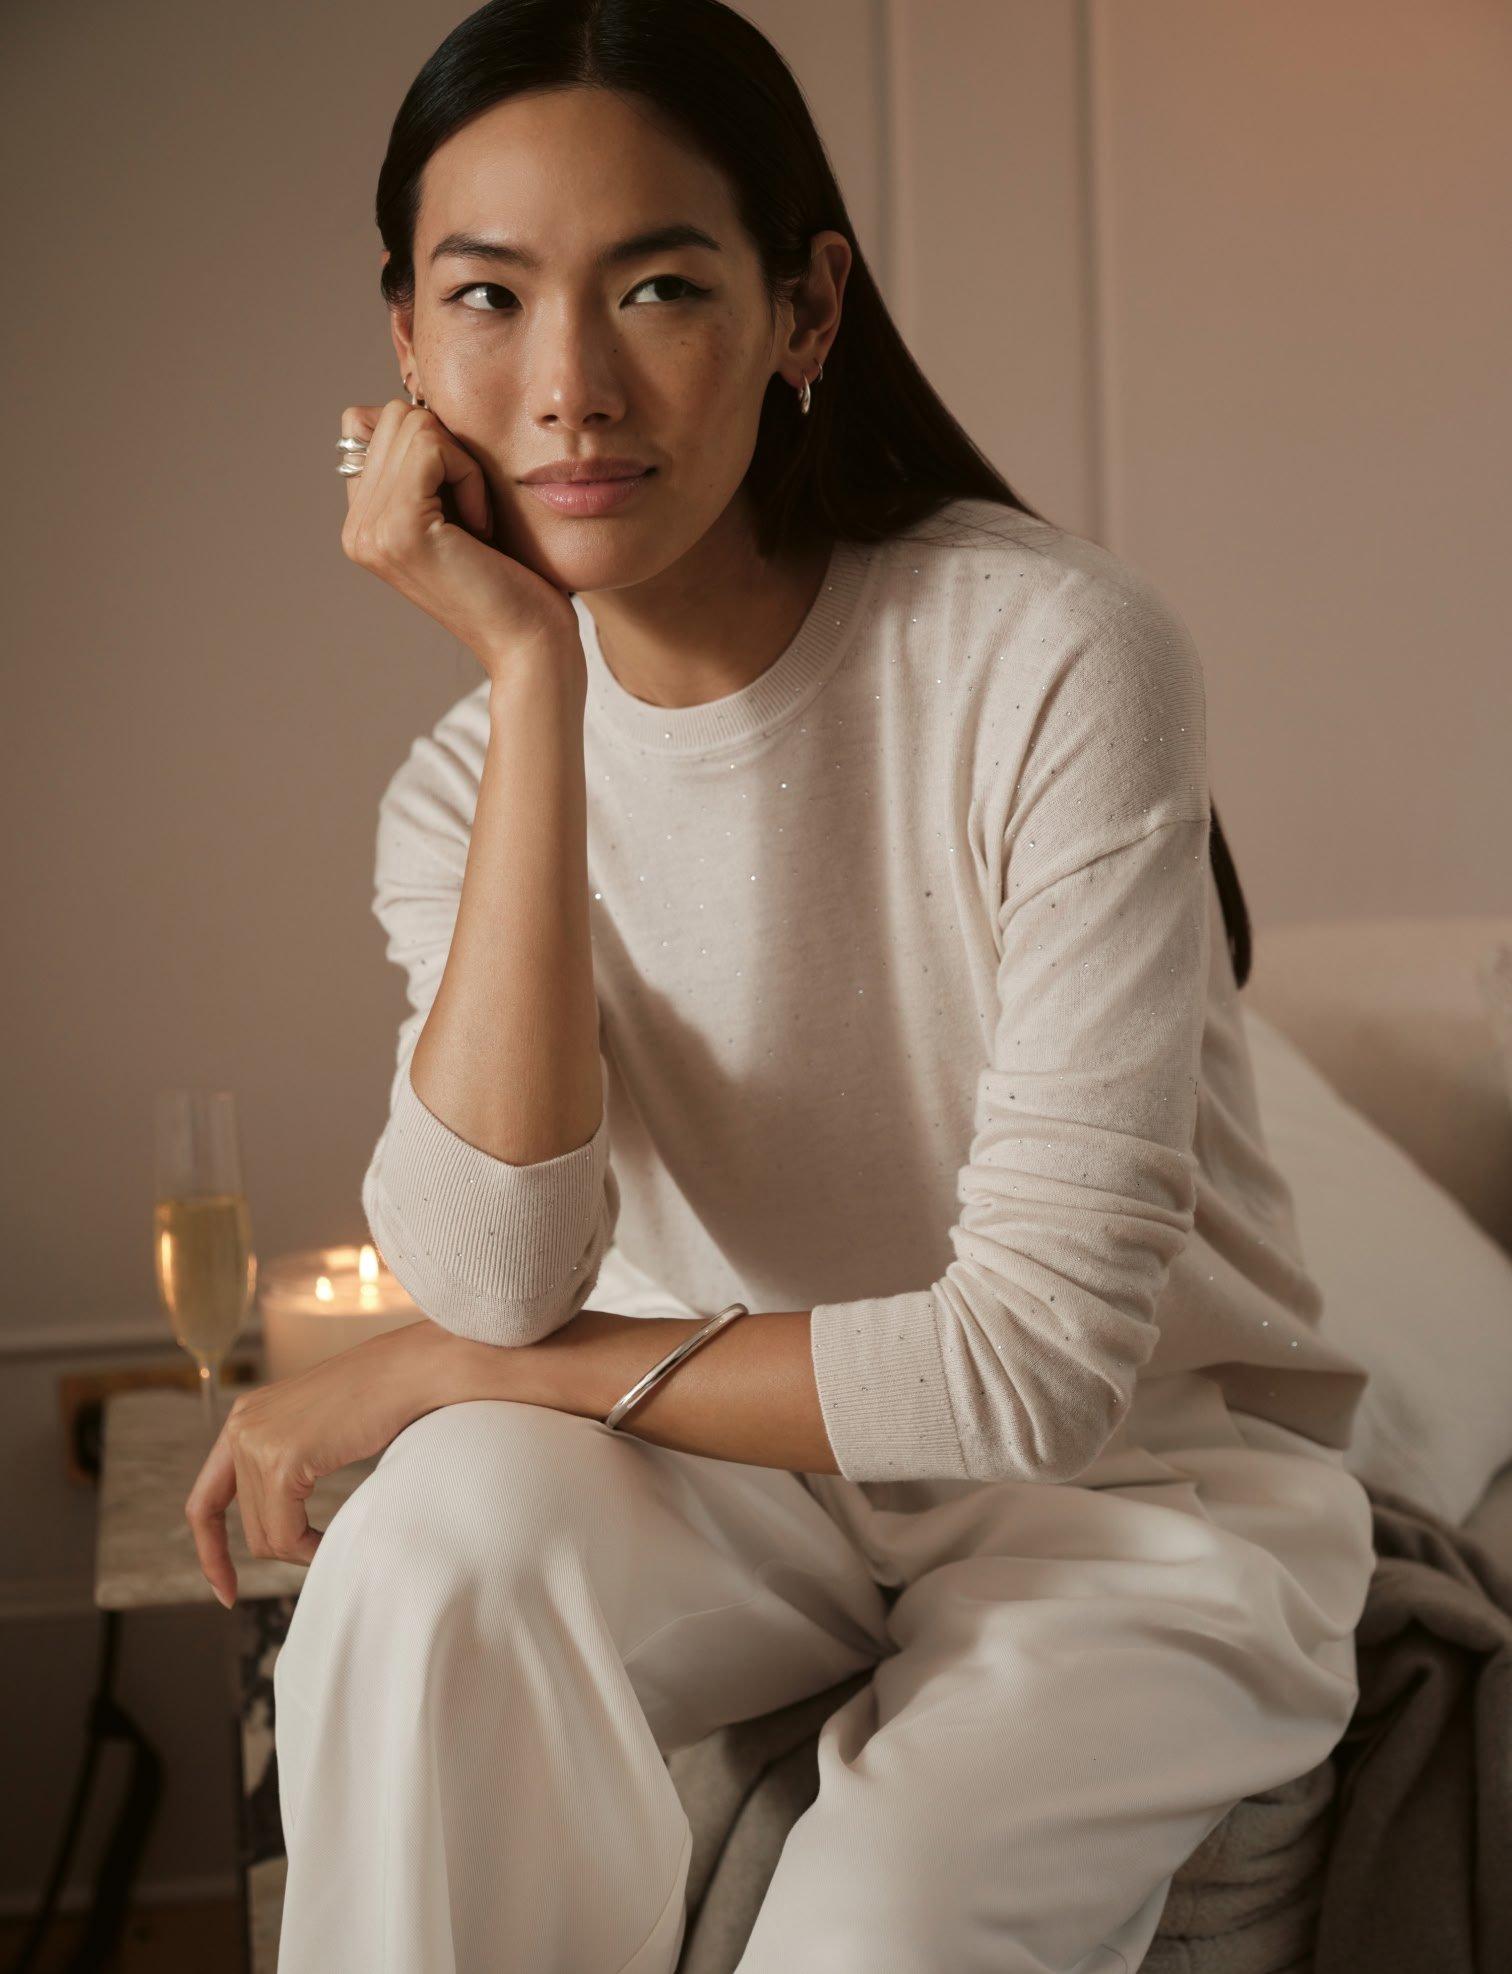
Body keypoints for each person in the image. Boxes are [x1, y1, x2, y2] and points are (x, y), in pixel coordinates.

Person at [266, 3, 1379, 1968]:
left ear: (804, 309)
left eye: (659, 287)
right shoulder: (460, 791)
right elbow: (500, 1276)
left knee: (872, 1926)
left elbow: (1035, 1370)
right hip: (740, 1487)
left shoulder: (1050, 655)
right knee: (420, 1558)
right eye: (491, 299)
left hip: (1127, 1499)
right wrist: (530, 685)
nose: (570, 388)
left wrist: (460, 1370)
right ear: (408, 350)